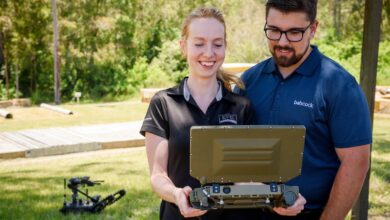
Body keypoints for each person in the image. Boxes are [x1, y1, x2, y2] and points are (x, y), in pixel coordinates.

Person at [236, 0, 372, 219]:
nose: (282, 41)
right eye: (274, 31)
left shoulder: (339, 85)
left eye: (294, 33)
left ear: (313, 29)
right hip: (249, 210)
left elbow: (356, 163)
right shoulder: (249, 81)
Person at [140, 7, 261, 220]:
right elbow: (158, 176)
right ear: (183, 47)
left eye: (217, 44)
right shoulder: (163, 103)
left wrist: (276, 197)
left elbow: (247, 179)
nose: (209, 53)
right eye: (199, 44)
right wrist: (176, 194)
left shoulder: (242, 107)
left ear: (225, 47)